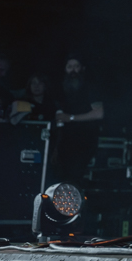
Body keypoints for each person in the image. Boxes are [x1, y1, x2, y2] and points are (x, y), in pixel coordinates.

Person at [53, 54, 105, 182]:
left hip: (84, 139)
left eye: (76, 66)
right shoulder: (60, 88)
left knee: (74, 177)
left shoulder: (90, 87)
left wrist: (71, 118)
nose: (73, 70)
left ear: (83, 68)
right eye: (69, 66)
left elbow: (99, 113)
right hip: (63, 140)